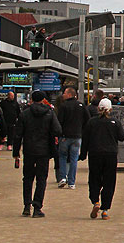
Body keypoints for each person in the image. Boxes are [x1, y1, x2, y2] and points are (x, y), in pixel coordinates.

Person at [13, 90, 62, 218]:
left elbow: (18, 134)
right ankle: (37, 207)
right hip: (44, 151)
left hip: (29, 150)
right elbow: (58, 130)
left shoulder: (25, 114)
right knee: (41, 179)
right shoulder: (49, 113)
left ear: (32, 99)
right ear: (43, 100)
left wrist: (16, 152)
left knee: (27, 178)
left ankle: (26, 206)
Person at [79, 98, 124, 220]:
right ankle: (105, 210)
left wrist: (83, 154)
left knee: (94, 178)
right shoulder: (115, 122)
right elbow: (122, 137)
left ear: (98, 108)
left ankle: (95, 201)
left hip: (95, 154)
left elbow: (85, 139)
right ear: (110, 109)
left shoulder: (91, 122)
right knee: (109, 182)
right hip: (110, 154)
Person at [55, 86, 89, 189]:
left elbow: (59, 122)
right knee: (74, 159)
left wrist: (58, 134)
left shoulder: (63, 106)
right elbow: (87, 120)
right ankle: (71, 182)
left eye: (65, 93)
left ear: (69, 94)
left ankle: (62, 177)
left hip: (65, 136)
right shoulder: (81, 106)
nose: (63, 95)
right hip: (77, 136)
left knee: (62, 156)